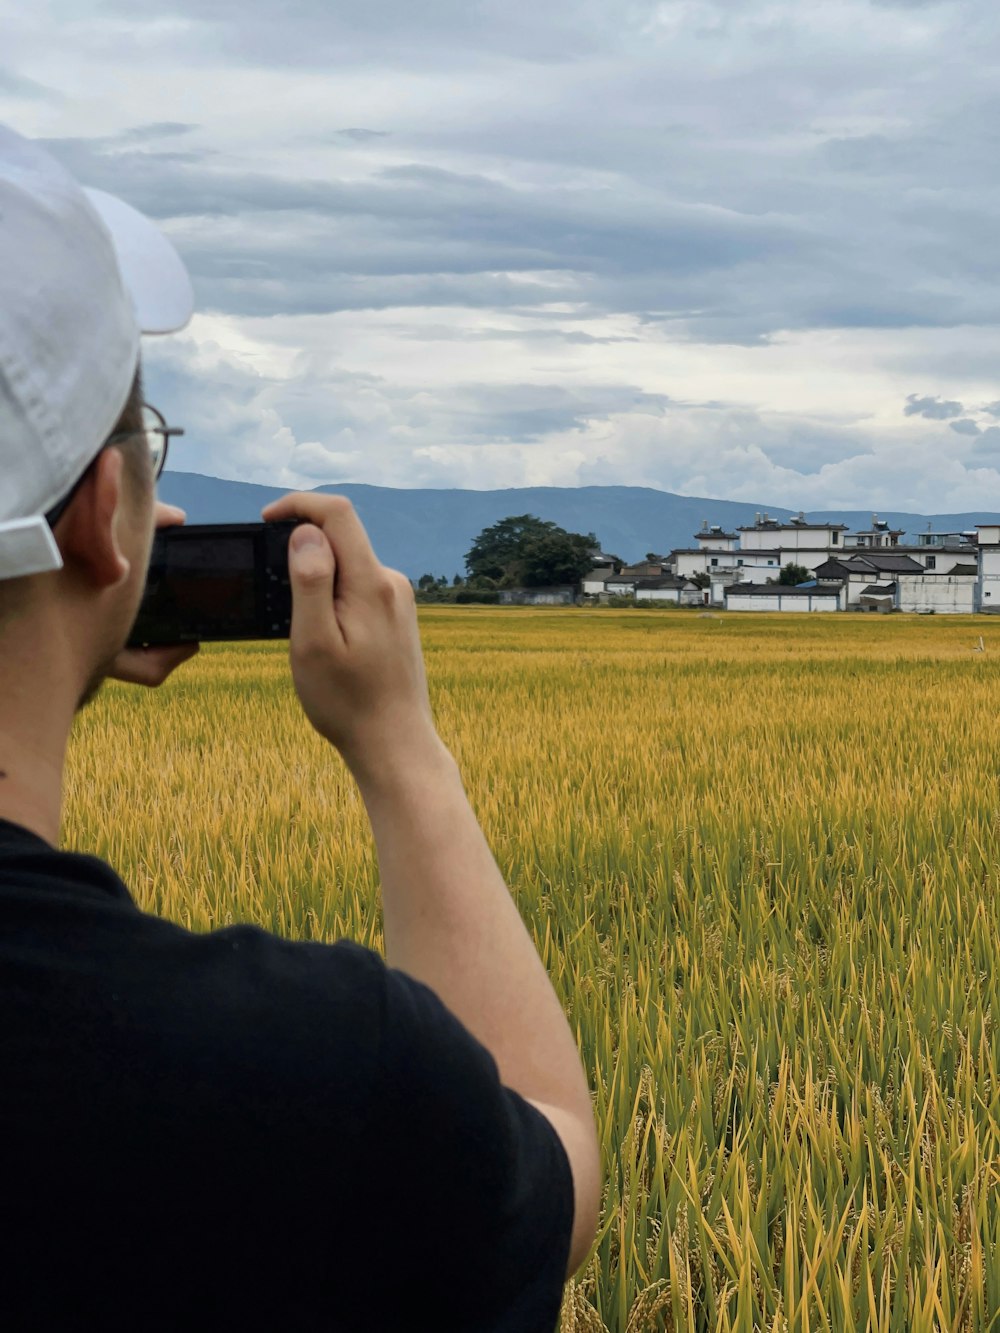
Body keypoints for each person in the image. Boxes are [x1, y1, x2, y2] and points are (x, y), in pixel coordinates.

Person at [0, 125, 600, 1331]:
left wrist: (62, 625)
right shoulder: (300, 1070)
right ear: (107, 515)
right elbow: (554, 1168)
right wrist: (400, 750)